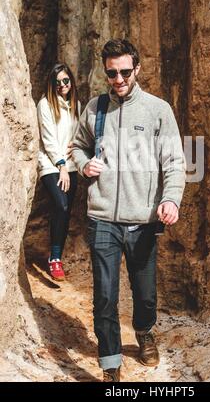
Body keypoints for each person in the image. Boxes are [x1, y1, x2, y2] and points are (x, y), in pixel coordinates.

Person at [72, 39, 186, 382]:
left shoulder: (158, 110)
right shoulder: (95, 108)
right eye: (112, 73)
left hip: (143, 220)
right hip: (102, 218)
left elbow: (176, 162)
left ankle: (144, 331)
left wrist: (171, 199)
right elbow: (77, 146)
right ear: (105, 72)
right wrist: (83, 165)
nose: (118, 78)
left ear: (136, 69)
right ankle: (110, 362)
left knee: (145, 291)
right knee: (104, 295)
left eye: (124, 71)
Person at [37, 63, 80, 281]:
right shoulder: (45, 104)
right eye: (58, 82)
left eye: (66, 80)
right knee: (61, 205)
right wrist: (61, 165)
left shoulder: (76, 105)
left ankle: (56, 259)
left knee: (65, 211)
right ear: (52, 85)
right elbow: (49, 139)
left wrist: (78, 146)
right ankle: (54, 259)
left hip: (71, 166)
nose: (63, 85)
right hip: (51, 165)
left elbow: (80, 134)